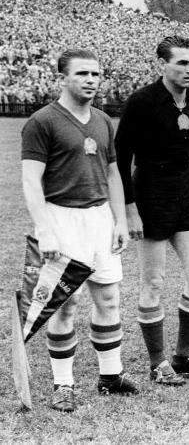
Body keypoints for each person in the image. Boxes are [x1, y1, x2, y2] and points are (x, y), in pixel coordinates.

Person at [21, 49, 138, 412]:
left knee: (108, 299)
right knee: (64, 305)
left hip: (99, 218)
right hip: (61, 219)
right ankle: (64, 383)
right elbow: (30, 180)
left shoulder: (103, 120)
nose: (91, 80)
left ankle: (110, 375)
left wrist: (119, 220)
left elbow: (113, 173)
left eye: (96, 74)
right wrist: (46, 230)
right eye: (83, 73)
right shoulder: (42, 121)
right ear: (62, 77)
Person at [116, 36, 189, 385]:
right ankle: (158, 363)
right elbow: (120, 156)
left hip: (186, 195)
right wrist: (129, 209)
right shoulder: (142, 102)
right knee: (154, 282)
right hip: (151, 196)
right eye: (182, 63)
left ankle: (184, 356)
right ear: (164, 64)